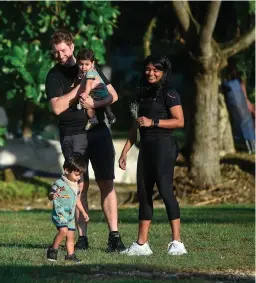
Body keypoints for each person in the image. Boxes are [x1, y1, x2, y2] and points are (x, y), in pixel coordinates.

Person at [45, 30, 125, 252]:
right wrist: (80, 89)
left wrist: (94, 104)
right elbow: (57, 107)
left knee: (106, 182)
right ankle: (82, 238)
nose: (60, 55)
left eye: (63, 50)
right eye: (56, 52)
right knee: (78, 185)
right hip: (72, 134)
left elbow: (113, 95)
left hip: (98, 131)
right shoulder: (54, 76)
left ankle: (114, 236)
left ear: (71, 46)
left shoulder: (89, 65)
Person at [118, 54, 188, 256]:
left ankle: (177, 243)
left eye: (156, 69)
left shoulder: (170, 93)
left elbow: (179, 121)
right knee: (144, 193)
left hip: (164, 146)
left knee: (165, 191)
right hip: (146, 148)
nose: (151, 73)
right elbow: (136, 126)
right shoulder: (143, 94)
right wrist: (125, 152)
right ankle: (142, 244)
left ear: (164, 72)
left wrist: (154, 122)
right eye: (148, 69)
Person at [47, 152, 89, 262]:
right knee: (63, 231)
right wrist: (53, 195)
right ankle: (52, 250)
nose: (78, 177)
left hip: (70, 216)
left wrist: (83, 212)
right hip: (60, 213)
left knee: (71, 236)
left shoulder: (76, 187)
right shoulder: (60, 183)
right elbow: (50, 194)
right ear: (66, 170)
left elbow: (77, 201)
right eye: (76, 174)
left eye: (80, 175)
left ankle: (70, 256)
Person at [76, 48, 116, 130]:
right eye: (81, 64)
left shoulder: (90, 72)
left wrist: (85, 94)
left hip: (99, 91)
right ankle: (96, 119)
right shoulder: (82, 72)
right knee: (91, 107)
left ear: (92, 63)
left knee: (94, 105)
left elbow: (88, 85)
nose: (83, 67)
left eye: (86, 64)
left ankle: (106, 117)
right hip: (96, 93)